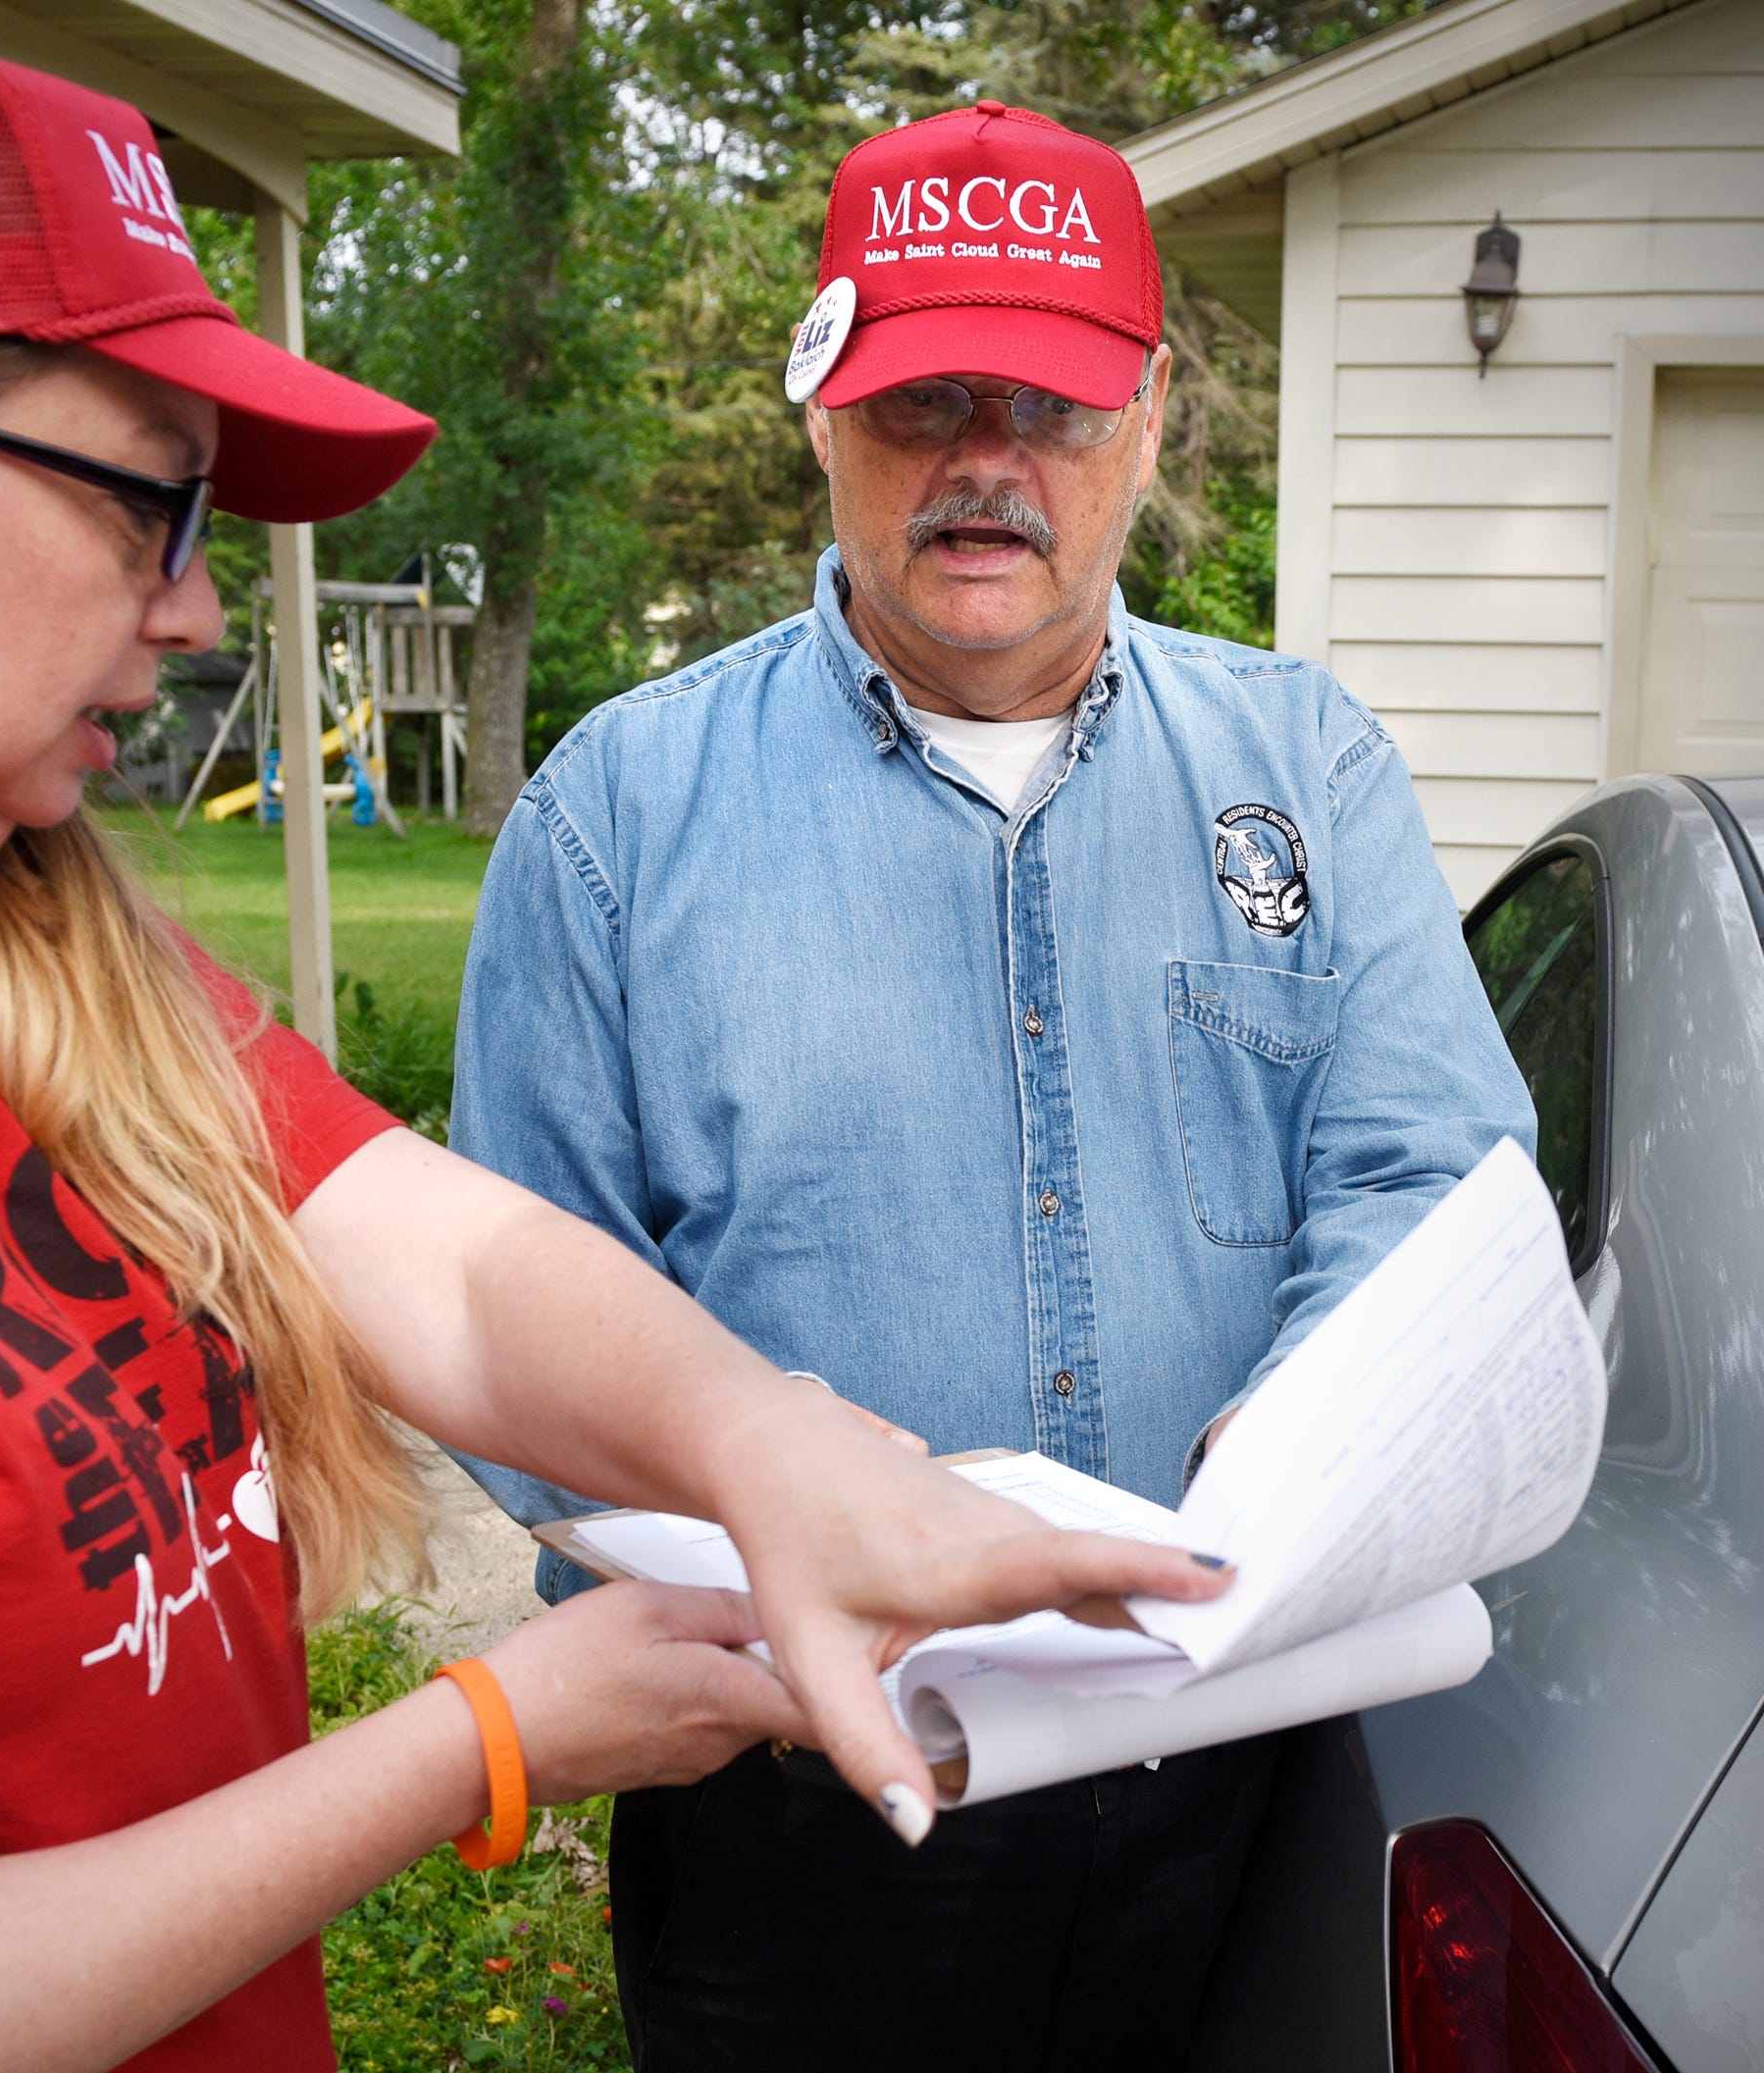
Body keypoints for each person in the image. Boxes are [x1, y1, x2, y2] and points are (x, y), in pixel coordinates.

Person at [0, 43, 1238, 2073]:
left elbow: (448, 1265)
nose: (197, 607)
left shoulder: (33, 943)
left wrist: (786, 1457)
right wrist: (485, 1738)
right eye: (151, 503)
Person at [449, 101, 1537, 2073]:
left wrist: (1316, 1427)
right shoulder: (613, 819)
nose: (983, 463)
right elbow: (513, 1322)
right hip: (799, 1811)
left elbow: (1425, 1170)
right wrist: (770, 1488)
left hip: (1240, 1772)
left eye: (1040, 404)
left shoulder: (1303, 769)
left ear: (1146, 415)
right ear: (820, 412)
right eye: (920, 399)